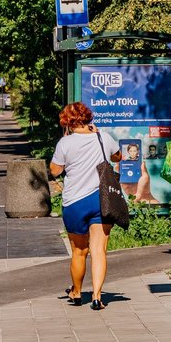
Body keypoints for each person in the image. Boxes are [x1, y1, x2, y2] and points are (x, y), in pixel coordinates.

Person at [49, 102, 121, 310]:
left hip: (75, 203)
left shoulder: (65, 143)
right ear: (88, 118)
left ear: (67, 122)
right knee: (99, 250)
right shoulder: (103, 137)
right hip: (101, 200)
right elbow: (118, 157)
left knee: (79, 251)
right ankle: (97, 297)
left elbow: (54, 171)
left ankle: (77, 292)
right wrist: (98, 134)